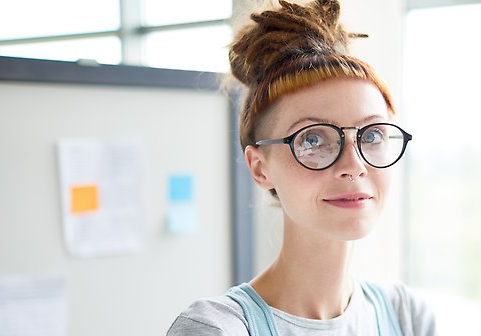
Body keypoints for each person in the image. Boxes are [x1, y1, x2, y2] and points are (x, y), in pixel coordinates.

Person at [166, 0, 436, 335]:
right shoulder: (220, 328)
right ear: (260, 168)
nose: (353, 166)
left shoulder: (406, 316)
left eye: (373, 134)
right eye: (312, 140)